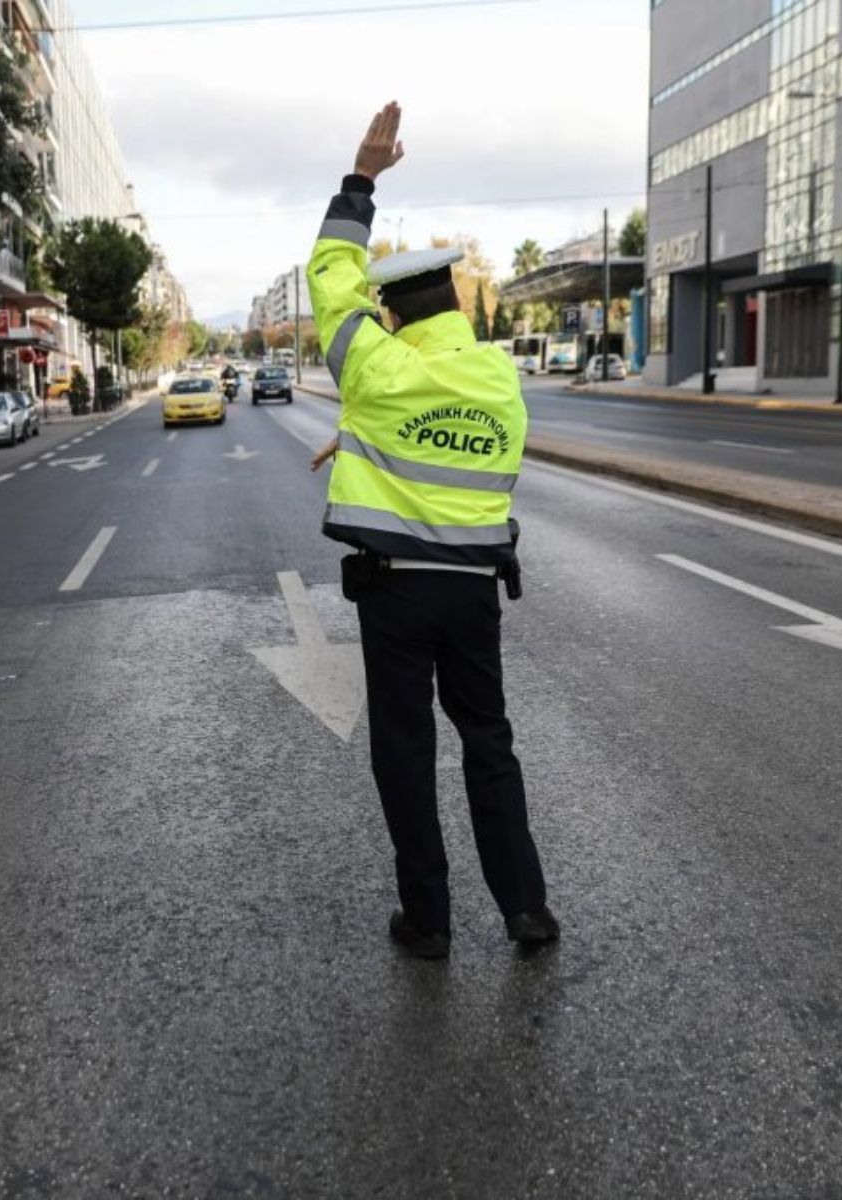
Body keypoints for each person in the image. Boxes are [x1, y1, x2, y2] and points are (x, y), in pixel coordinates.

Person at [308, 102, 557, 960]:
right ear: (454, 300)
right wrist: (364, 430)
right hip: (475, 595)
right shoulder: (498, 378)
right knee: (490, 744)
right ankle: (526, 907)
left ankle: (430, 921)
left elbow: (329, 275)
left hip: (396, 594)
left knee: (406, 753)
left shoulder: (374, 368)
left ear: (391, 314)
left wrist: (360, 181)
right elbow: (459, 442)